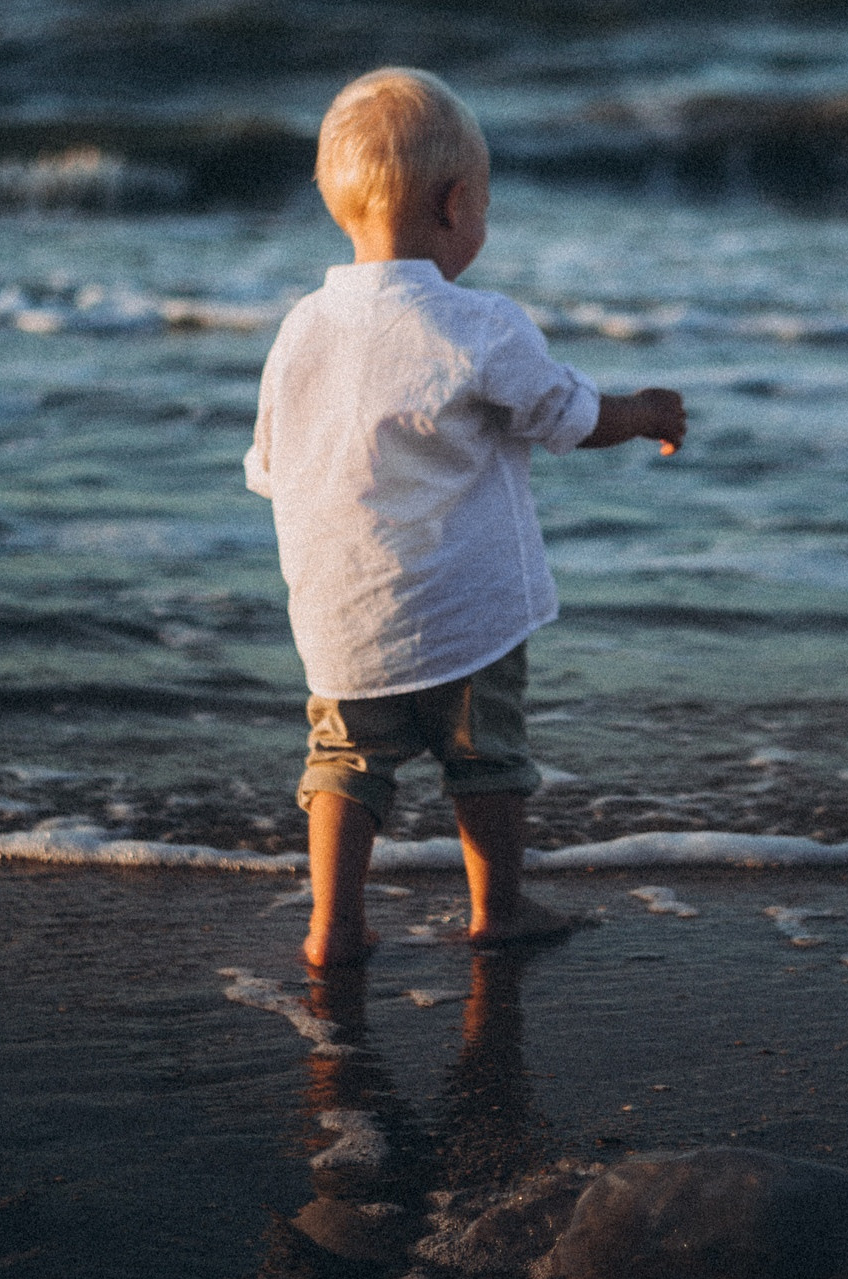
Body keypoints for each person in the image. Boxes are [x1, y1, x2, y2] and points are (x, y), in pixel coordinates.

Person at [245, 67, 686, 970]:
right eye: (484, 206)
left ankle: (333, 923)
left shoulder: (300, 329)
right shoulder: (479, 323)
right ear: (455, 205)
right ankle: (499, 907)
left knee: (343, 765)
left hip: (339, 618)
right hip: (465, 615)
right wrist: (642, 412)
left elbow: (268, 468)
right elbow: (569, 417)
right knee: (486, 760)